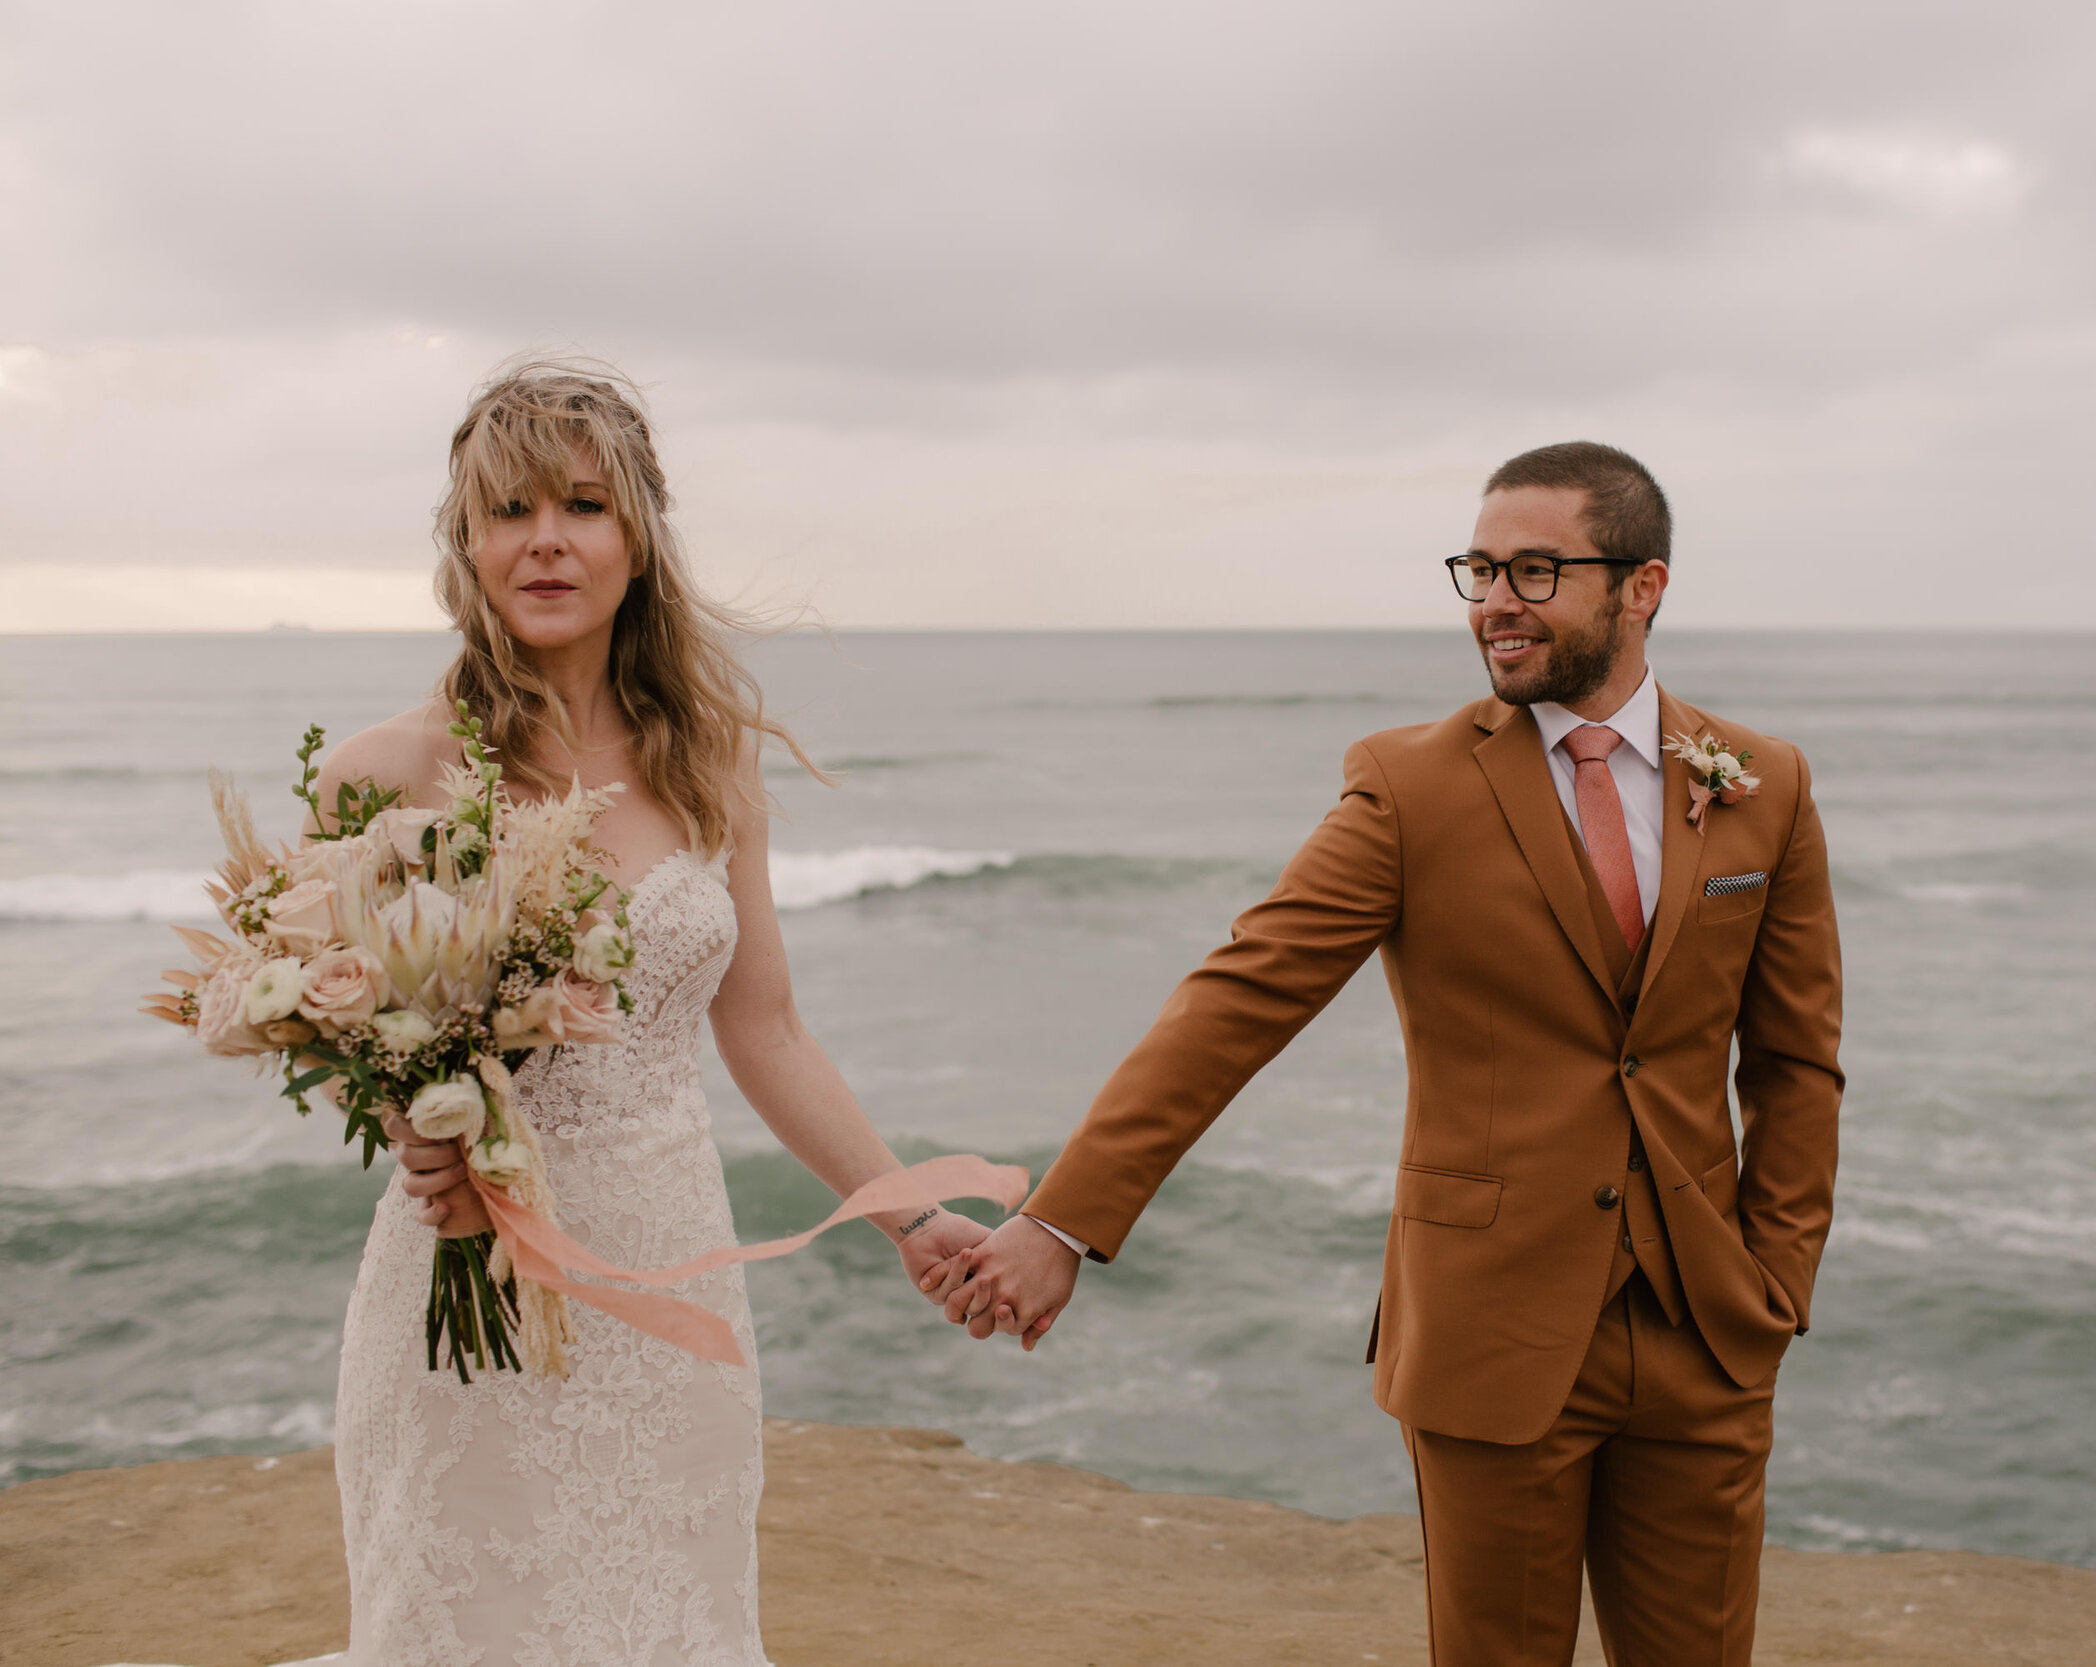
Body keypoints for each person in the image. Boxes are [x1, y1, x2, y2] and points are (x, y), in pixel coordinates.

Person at [941, 442, 1843, 1665]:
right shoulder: (1411, 786)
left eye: (1535, 569)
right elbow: (1239, 999)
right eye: (1478, 568)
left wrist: (1774, 1280)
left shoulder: (1759, 784)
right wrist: (1061, 1221)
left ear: (1642, 587)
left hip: (1705, 1325)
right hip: (1495, 1335)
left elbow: (1794, 1061)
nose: (1493, 602)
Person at [321, 360, 989, 1666]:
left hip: (672, 1279)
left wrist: (907, 1214)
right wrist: (417, 1120)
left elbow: (768, 1031)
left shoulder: (708, 755)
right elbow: (352, 1019)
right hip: (471, 1280)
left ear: (639, 535)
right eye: (510, 508)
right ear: (467, 540)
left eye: (583, 503)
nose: (548, 539)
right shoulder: (383, 773)